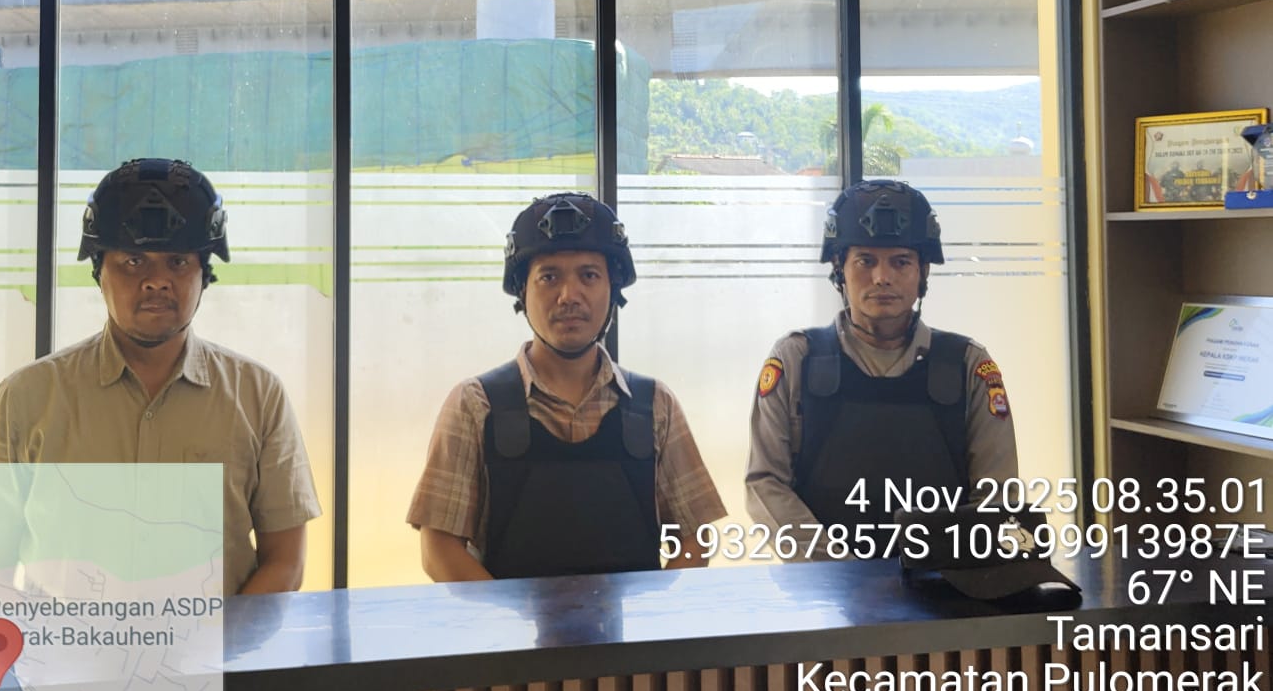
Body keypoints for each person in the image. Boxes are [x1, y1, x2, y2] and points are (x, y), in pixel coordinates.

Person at [0, 157, 320, 594]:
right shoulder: (27, 397)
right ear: (99, 272)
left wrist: (220, 637)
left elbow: (286, 562)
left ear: (204, 275)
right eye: (133, 261)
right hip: (60, 641)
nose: (157, 281)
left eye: (178, 262)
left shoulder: (258, 395)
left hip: (219, 639)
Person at [409, 192, 726, 581]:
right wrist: (507, 618)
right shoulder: (475, 404)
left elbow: (696, 537)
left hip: (632, 622)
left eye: (589, 275)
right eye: (549, 277)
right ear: (522, 291)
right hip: (510, 621)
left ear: (613, 289)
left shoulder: (654, 404)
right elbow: (439, 550)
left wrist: (651, 612)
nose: (569, 296)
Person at [745, 179, 1018, 554]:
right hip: (823, 582)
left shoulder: (967, 365)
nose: (882, 277)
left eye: (901, 261)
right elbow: (765, 483)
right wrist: (833, 566)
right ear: (839, 269)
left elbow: (997, 495)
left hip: (945, 579)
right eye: (865, 261)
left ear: (923, 271)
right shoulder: (797, 360)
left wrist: (944, 565)